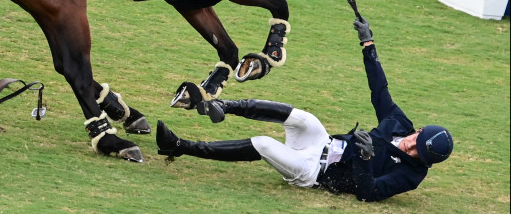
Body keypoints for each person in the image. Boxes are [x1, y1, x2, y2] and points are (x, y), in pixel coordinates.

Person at [156, 18, 454, 202]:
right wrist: (368, 43)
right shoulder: (398, 123)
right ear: (418, 130)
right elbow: (380, 90)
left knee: (263, 143)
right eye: (415, 140)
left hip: (313, 172)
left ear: (424, 162)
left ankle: (180, 146)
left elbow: (369, 193)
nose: (410, 146)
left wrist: (365, 159)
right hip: (322, 142)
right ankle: (221, 105)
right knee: (303, 118)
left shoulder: (411, 175)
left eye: (416, 152)